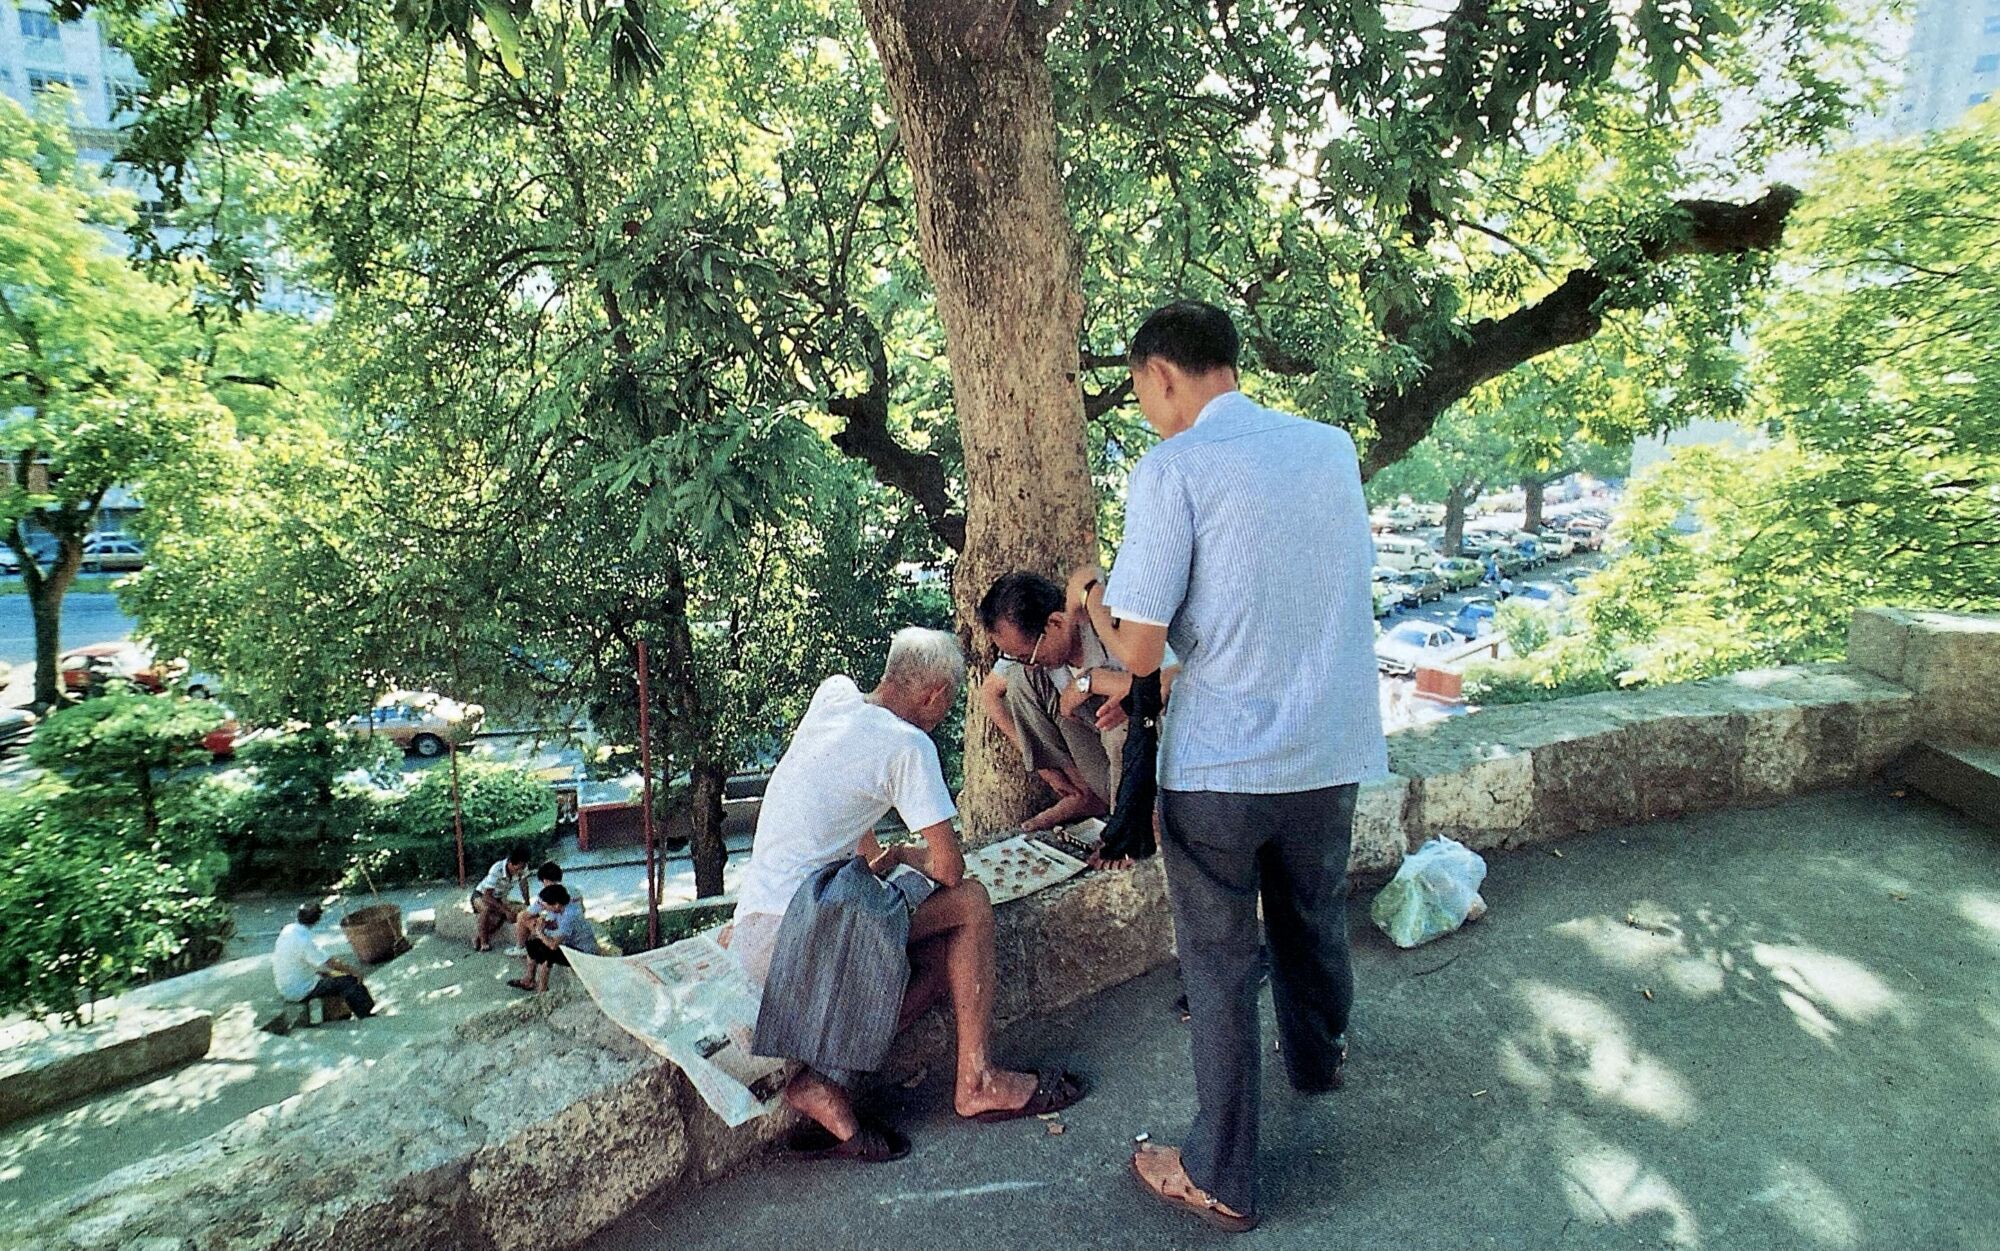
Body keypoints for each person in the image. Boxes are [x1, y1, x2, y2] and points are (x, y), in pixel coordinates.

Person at [1080, 300, 1387, 1232]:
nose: (1144, 410)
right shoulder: (1330, 448)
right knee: (1311, 911)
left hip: (1223, 761)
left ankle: (1221, 1170)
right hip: (1327, 745)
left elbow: (1138, 653)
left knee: (1217, 964)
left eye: (1139, 391)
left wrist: (1093, 603)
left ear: (1160, 374)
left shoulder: (1174, 467)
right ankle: (1318, 1055)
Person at [730, 627, 1085, 1162]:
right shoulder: (909, 744)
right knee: (970, 903)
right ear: (936, 696)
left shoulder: (834, 696)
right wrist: (903, 857)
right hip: (797, 930)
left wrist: (879, 857)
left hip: (760, 920)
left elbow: (841, 806)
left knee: (948, 957)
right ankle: (977, 1082)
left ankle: (827, 1081)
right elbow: (949, 867)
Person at [975, 571, 1135, 833]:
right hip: (1098, 753)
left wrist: (1089, 681)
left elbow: (1164, 681)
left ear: (1056, 623)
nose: (1031, 663)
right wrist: (1042, 764)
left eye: (1029, 655)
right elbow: (990, 694)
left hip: (1146, 759)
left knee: (1119, 722)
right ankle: (1083, 795)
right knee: (1020, 679)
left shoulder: (1106, 622)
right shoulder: (1028, 655)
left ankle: (1129, 821)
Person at [272, 902, 375, 1020]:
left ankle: (340, 1015)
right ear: (317, 920)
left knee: (329, 976)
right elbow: (329, 962)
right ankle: (366, 1015)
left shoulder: (288, 929)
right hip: (300, 989)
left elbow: (313, 961)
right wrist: (354, 971)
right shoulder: (303, 940)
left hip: (286, 985)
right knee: (349, 981)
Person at [509, 884, 601, 993]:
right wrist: (545, 924)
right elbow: (556, 924)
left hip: (582, 953)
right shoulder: (561, 909)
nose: (544, 907)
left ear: (556, 905)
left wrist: (539, 932)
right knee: (532, 943)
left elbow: (553, 945)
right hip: (570, 945)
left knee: (547, 952)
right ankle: (530, 979)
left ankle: (542, 990)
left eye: (546, 905)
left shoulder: (570, 916)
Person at [471, 845, 532, 952]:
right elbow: (486, 896)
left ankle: (478, 937)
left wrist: (527, 903)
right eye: (518, 868)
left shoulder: (523, 867)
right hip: (481, 895)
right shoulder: (497, 869)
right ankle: (484, 943)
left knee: (503, 918)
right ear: (511, 864)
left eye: (523, 867)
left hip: (499, 897)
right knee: (486, 910)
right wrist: (505, 910)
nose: (520, 871)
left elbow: (524, 885)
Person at [511, 861, 570, 955]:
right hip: (568, 926)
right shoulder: (574, 890)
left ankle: (520, 947)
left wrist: (539, 926)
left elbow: (528, 913)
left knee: (522, 916)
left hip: (560, 934)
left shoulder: (547, 893)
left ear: (545, 880)